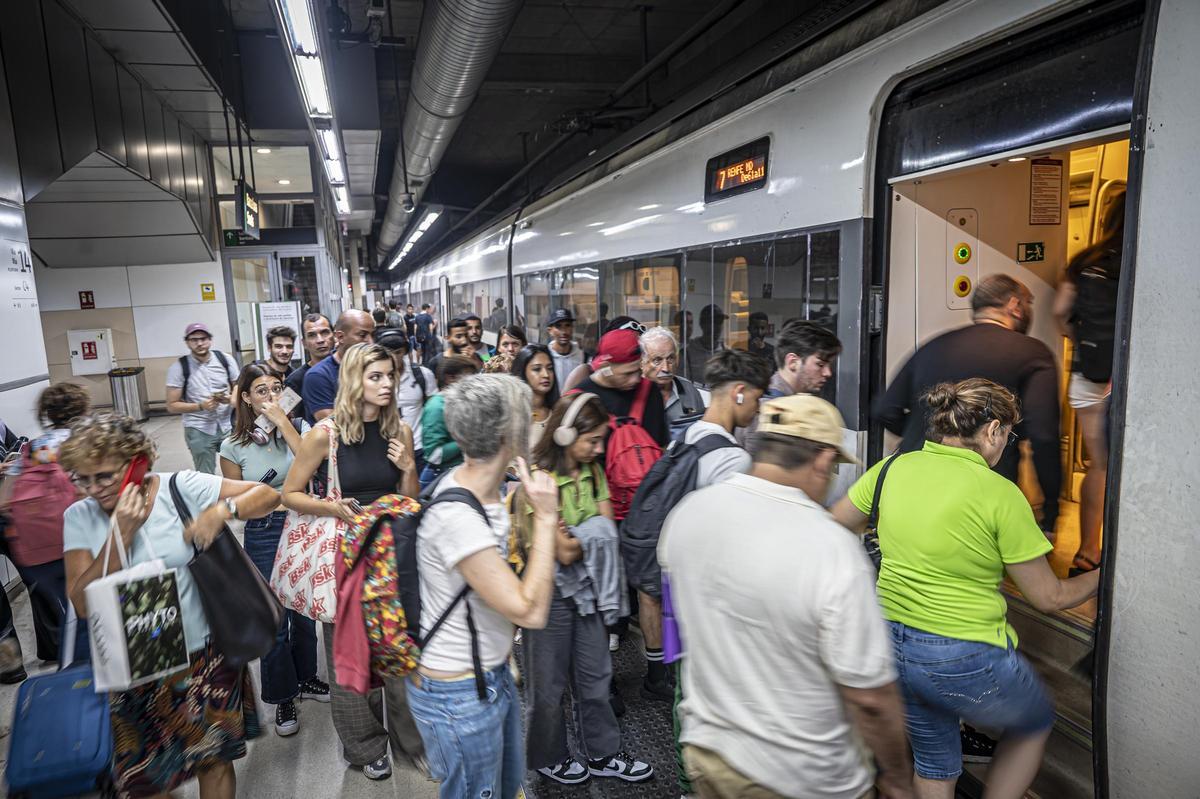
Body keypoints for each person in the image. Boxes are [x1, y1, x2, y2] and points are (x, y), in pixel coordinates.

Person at [834, 379, 1100, 799]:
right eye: (1008, 436)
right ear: (992, 430)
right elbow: (1050, 599)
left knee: (935, 764)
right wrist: (1104, 576)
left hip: (891, 643)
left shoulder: (891, 468)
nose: (1006, 446)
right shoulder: (999, 494)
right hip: (965, 656)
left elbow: (832, 528)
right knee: (1032, 723)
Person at [662, 394, 913, 799]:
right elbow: (869, 697)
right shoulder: (832, 547)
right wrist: (898, 779)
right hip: (803, 777)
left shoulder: (689, 512)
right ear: (822, 459)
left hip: (710, 756)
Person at [62, 413, 280, 799]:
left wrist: (219, 511)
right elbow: (81, 603)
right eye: (83, 479)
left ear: (137, 462)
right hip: (134, 667)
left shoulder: (178, 486)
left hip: (204, 655)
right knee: (149, 778)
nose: (94, 489)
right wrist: (121, 535)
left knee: (213, 760)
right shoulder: (78, 517)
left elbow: (267, 495)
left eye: (106, 476)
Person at [406, 374, 560, 799]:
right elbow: (529, 611)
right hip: (458, 694)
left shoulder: (482, 489)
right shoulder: (458, 518)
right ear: (508, 432)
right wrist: (546, 519)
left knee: (507, 789)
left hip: (489, 675)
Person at [282, 343, 423, 780]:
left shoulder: (399, 428)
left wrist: (409, 465)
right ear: (354, 381)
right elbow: (289, 494)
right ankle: (364, 747)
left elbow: (410, 499)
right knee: (349, 656)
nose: (386, 384)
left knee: (398, 650)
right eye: (375, 376)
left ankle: (410, 740)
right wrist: (333, 507)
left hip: (392, 554)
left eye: (390, 376)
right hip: (346, 556)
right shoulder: (325, 435)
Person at [514, 394, 653, 785]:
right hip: (550, 595)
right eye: (591, 440)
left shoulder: (592, 473)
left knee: (596, 679)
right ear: (563, 435)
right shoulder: (539, 483)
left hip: (590, 592)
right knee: (548, 687)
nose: (599, 448)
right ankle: (549, 756)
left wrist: (579, 534)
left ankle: (603, 753)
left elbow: (606, 531)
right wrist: (586, 535)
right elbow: (564, 552)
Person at [874, 274, 1061, 535]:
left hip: (912, 480)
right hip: (981, 491)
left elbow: (885, 410)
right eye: (1028, 302)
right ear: (1014, 305)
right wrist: (1051, 509)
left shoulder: (933, 346)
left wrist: (928, 432)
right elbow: (1044, 435)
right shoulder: (1032, 353)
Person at [219, 365, 328, 738]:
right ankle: (283, 694)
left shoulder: (298, 431)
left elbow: (309, 464)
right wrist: (262, 497)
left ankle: (308, 677)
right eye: (261, 391)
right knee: (276, 616)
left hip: (301, 525)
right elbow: (235, 502)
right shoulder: (231, 446)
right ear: (246, 397)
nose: (270, 396)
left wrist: (283, 423)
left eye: (276, 389)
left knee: (304, 612)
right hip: (264, 530)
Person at [1053, 192, 1123, 575]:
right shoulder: (1142, 259)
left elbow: (1060, 312)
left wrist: (1079, 341)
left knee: (1100, 465)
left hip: (1090, 375)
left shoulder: (1084, 262)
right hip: (1129, 377)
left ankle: (1088, 552)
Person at [0, 383, 92, 666]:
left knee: (63, 608)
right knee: (92, 604)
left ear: (47, 414)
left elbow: (5, 499)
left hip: (39, 549)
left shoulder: (33, 448)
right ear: (83, 410)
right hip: (81, 539)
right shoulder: (87, 442)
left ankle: (69, 664)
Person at [574, 329, 670, 452]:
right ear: (605, 367)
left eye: (638, 370)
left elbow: (660, 446)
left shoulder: (650, 391)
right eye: (627, 374)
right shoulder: (580, 397)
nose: (635, 379)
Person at [165, 322, 240, 473]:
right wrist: (200, 406)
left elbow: (238, 385)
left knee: (238, 468)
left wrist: (231, 398)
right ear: (187, 342)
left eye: (203, 338)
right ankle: (210, 497)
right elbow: (172, 405)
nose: (199, 343)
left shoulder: (225, 359)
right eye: (194, 340)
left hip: (228, 425)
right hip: (199, 428)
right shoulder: (179, 368)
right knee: (206, 476)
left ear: (210, 340)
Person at [376, 327, 438, 477]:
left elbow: (433, 408)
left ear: (404, 351)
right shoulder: (374, 381)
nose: (394, 358)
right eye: (388, 353)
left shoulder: (422, 375)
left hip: (419, 448)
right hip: (387, 449)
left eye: (398, 352)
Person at [300, 309, 376, 424]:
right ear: (340, 337)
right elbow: (335, 426)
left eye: (373, 335)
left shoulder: (373, 366)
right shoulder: (318, 376)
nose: (371, 342)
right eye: (362, 335)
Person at [419, 354, 482, 489]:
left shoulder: (462, 402)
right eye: (469, 378)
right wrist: (467, 439)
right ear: (450, 378)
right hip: (442, 478)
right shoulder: (437, 406)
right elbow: (434, 455)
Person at [640, 326, 706, 430]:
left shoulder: (689, 390)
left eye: (670, 359)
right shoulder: (633, 393)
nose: (666, 368)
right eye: (657, 360)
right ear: (642, 362)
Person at [285, 313, 335, 422]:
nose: (320, 340)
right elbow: (286, 418)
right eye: (312, 335)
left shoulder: (347, 369)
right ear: (304, 343)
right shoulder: (294, 380)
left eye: (325, 332)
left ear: (334, 336)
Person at [511, 344, 560, 448]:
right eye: (537, 369)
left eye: (550, 368)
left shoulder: (558, 413)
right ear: (523, 372)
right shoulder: (511, 412)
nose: (546, 374)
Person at [684, 304, 727, 385]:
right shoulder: (688, 352)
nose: (716, 326)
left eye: (719, 322)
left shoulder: (727, 352)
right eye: (712, 322)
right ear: (702, 324)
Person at [545, 309, 585, 390]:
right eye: (558, 326)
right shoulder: (545, 356)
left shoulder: (583, 357)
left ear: (572, 328)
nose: (564, 331)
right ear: (550, 331)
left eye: (567, 325)